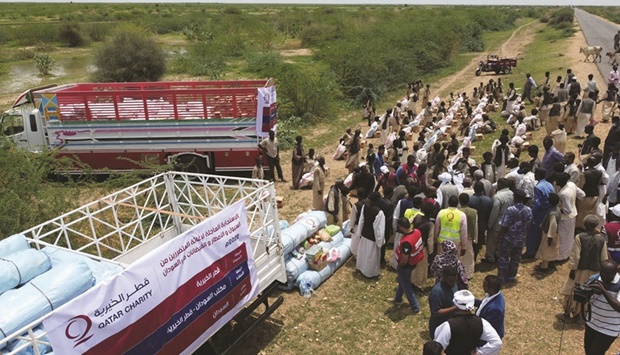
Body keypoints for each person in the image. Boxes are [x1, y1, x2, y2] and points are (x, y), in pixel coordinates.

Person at [558, 214, 608, 323]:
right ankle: (579, 315)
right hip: (594, 271)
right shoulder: (602, 239)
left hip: (580, 270)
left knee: (572, 291)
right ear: (596, 226)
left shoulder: (579, 237)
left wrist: (572, 269)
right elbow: (604, 258)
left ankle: (567, 313)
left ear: (585, 225)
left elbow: (576, 256)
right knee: (588, 292)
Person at [433, 290, 503, 354]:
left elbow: (437, 347)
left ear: (456, 304)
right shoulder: (482, 323)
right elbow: (497, 342)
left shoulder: (448, 325)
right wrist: (479, 353)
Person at [582, 259, 620, 354]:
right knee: (588, 350)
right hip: (592, 322)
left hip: (609, 328)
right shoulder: (594, 279)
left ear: (615, 272)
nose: (604, 275)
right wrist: (585, 293)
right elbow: (584, 300)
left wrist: (603, 291)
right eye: (602, 271)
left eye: (608, 273)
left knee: (595, 353)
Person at [387, 218, 423, 315]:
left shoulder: (406, 242)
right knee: (402, 281)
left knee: (407, 286)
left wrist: (399, 266)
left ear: (402, 227)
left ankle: (415, 308)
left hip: (406, 265)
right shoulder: (417, 231)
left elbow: (405, 259)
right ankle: (398, 299)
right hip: (415, 261)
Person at [496, 189, 532, 284]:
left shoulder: (510, 210)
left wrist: (499, 237)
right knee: (515, 259)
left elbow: (504, 225)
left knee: (503, 258)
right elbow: (529, 223)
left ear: (515, 198)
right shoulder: (528, 210)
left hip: (508, 239)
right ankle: (511, 276)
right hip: (520, 239)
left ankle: (502, 277)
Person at [525, 167, 555, 258]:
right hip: (548, 211)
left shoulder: (538, 187)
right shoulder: (550, 184)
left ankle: (530, 252)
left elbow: (537, 204)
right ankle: (538, 248)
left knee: (532, 232)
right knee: (540, 231)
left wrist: (532, 215)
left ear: (538, 175)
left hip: (539, 212)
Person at [355, 192, 386, 278]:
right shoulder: (379, 213)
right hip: (372, 238)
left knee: (363, 253)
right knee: (370, 256)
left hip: (364, 235)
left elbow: (361, 221)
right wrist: (380, 241)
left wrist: (359, 233)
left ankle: (361, 268)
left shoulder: (365, 207)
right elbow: (379, 229)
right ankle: (369, 273)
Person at [556, 172, 586, 261]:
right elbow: (582, 194)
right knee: (569, 236)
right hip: (574, 214)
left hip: (565, 217)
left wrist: (558, 210)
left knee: (563, 237)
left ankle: (561, 256)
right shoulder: (571, 184)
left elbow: (567, 210)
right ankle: (567, 253)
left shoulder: (563, 194)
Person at [484, 178, 514, 264]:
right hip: (508, 222)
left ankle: (490, 258)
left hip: (498, 222)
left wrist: (489, 225)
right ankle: (498, 255)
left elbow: (494, 213)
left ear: (500, 185)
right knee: (501, 241)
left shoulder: (497, 197)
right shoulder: (512, 194)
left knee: (492, 241)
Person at [428, 266, 459, 338]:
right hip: (439, 327)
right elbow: (435, 313)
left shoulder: (453, 285)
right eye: (451, 281)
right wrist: (455, 308)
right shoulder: (437, 292)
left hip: (450, 324)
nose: (454, 283)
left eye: (455, 280)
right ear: (444, 277)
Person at [411, 203, 436, 289]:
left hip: (413, 243)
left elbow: (410, 223)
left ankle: (410, 280)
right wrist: (430, 251)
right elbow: (430, 239)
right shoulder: (430, 225)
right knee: (421, 267)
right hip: (422, 247)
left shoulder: (417, 217)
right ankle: (417, 284)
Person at [536, 193, 561, 271]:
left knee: (546, 250)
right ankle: (550, 263)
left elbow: (553, 226)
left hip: (550, 234)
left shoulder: (552, 213)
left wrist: (550, 237)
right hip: (554, 233)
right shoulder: (557, 209)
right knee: (551, 250)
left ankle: (544, 267)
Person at [475, 275, 506, 339]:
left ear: (491, 289)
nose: (482, 286)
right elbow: (484, 304)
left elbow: (487, 327)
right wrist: (471, 301)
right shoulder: (494, 294)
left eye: (484, 285)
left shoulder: (495, 309)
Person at [469, 181, 493, 261]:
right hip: (483, 225)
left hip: (472, 226)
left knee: (471, 243)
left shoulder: (470, 200)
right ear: (483, 189)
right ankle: (474, 257)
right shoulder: (488, 200)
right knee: (478, 244)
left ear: (474, 189)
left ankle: (471, 259)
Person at [458, 193, 477, 280]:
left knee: (459, 257)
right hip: (469, 238)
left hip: (459, 237)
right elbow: (475, 226)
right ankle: (468, 274)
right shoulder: (474, 212)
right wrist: (475, 238)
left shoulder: (458, 212)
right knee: (469, 257)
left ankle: (459, 272)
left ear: (460, 201)